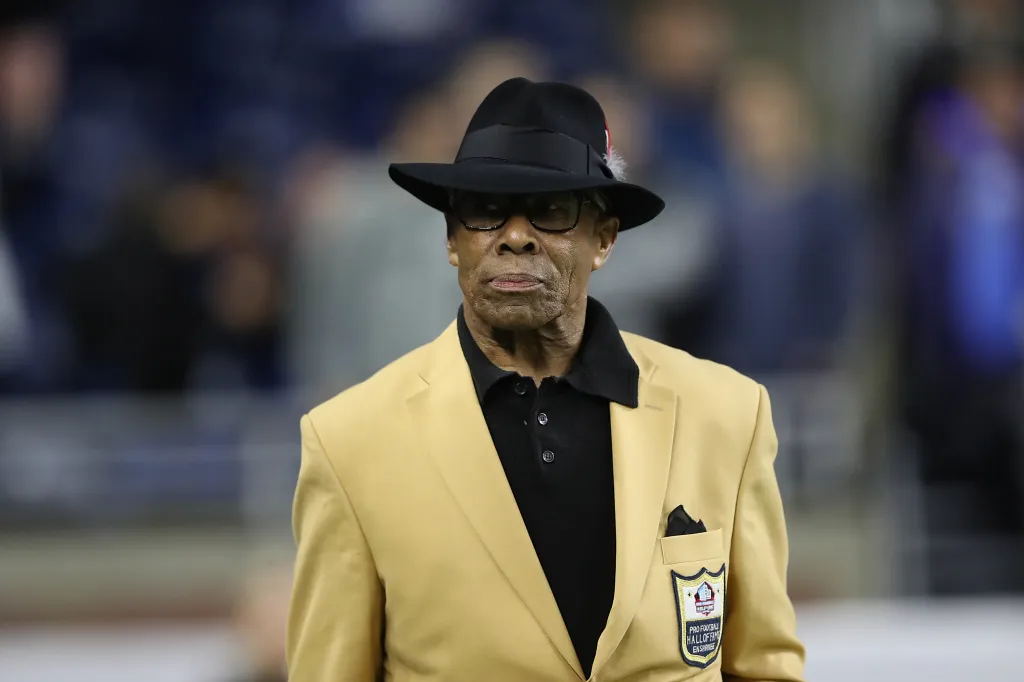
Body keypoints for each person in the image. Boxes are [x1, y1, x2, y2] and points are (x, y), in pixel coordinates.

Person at [288, 77, 805, 682]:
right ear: (452, 240)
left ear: (604, 240)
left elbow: (765, 665)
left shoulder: (728, 416)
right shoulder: (350, 444)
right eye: (484, 212)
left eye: (551, 211)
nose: (513, 235)